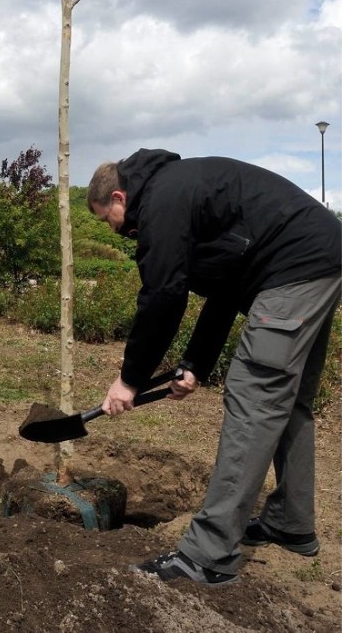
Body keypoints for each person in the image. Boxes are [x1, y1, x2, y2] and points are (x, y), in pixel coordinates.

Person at [87, 149, 341, 586]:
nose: (111, 229)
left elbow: (162, 295)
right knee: (290, 401)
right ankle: (290, 524)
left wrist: (129, 380)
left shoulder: (162, 200)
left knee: (254, 396)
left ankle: (208, 555)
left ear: (118, 195)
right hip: (320, 259)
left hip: (294, 270)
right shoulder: (182, 189)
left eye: (104, 217)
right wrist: (194, 365)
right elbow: (225, 288)